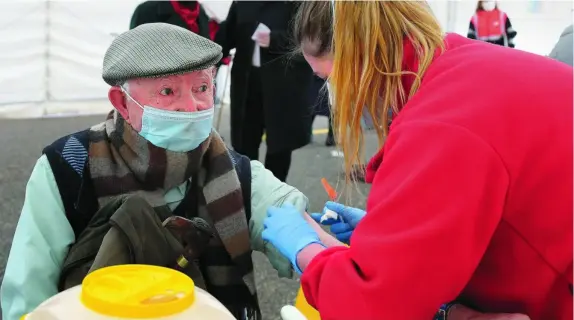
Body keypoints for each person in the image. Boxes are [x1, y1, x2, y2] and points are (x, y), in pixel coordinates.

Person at [262, 1, 572, 320]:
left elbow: (376, 307)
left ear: (362, 57)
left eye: (328, 77)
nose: (331, 94)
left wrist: (305, 250)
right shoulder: (457, 64)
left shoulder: (440, 124)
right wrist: (391, 233)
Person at [0, 23, 308, 320]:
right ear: (122, 102)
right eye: (168, 91)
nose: (191, 106)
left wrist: (318, 244)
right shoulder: (68, 166)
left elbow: (287, 211)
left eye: (202, 87)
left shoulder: (232, 168)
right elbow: (28, 293)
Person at [214, 1, 316, 182]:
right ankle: (245, 193)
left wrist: (274, 39)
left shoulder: (295, 4)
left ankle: (274, 193)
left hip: (282, 88)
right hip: (247, 85)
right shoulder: (243, 4)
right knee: (244, 144)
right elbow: (227, 37)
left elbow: (310, 40)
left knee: (279, 147)